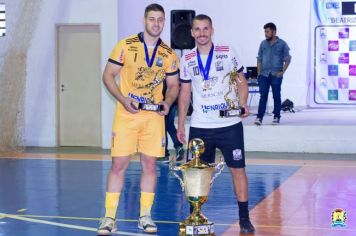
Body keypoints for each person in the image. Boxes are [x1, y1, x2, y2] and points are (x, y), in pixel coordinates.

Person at [97, 4, 179, 235]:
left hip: (153, 117)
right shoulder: (126, 45)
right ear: (144, 20)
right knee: (118, 165)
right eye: (152, 19)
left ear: (164, 22)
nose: (156, 23)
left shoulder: (168, 54)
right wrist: (123, 99)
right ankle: (109, 217)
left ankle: (145, 216)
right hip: (127, 115)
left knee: (150, 165)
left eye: (160, 20)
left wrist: (167, 102)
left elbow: (173, 86)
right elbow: (107, 76)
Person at [177, 14, 255, 234]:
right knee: (196, 174)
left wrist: (242, 104)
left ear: (212, 30)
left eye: (205, 29)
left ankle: (244, 219)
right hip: (200, 126)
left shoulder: (227, 52)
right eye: (197, 29)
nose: (202, 33)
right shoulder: (188, 59)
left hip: (229, 125)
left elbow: (241, 82)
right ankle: (196, 217)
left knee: (238, 171)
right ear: (192, 33)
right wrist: (181, 124)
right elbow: (184, 94)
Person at [254, 22, 291, 126]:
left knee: (276, 96)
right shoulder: (263, 44)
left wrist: (282, 71)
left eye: (267, 31)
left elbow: (288, 59)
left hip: (276, 75)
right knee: (263, 96)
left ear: (274, 32)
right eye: (265, 32)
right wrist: (259, 74)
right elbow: (259, 59)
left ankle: (276, 116)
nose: (265, 34)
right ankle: (259, 117)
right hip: (264, 75)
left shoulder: (282, 44)